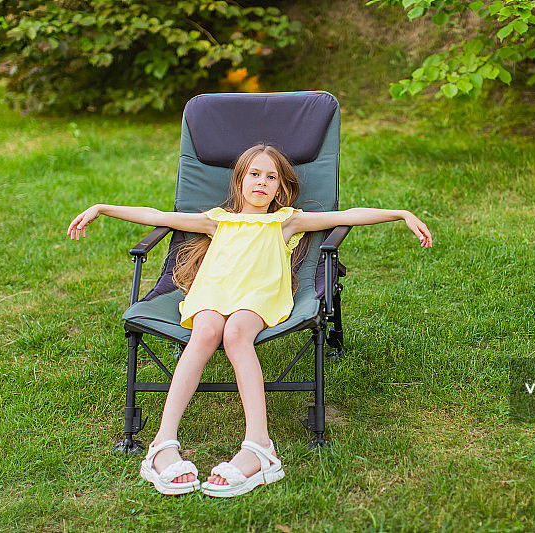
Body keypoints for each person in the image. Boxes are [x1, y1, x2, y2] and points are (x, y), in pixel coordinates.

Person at [66, 144, 432, 497]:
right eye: (254, 174)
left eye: (271, 177)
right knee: (206, 331)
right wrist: (101, 207)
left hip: (258, 297)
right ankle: (164, 442)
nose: (261, 182)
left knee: (237, 333)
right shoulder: (217, 221)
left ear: (280, 187)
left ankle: (259, 444)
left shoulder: (286, 221)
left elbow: (349, 215)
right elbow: (156, 216)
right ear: (240, 179)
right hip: (212, 293)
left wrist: (400, 214)